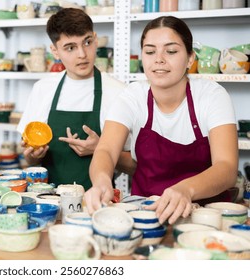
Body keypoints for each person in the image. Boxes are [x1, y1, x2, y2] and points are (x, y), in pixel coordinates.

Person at [84, 16, 238, 224]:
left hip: (204, 217)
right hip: (147, 215)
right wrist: (101, 182)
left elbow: (227, 168)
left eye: (171, 51)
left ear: (190, 59)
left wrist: (186, 189)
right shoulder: (133, 96)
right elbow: (105, 150)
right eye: (149, 51)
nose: (159, 59)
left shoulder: (211, 95)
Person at [17, 8, 133, 190]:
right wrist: (34, 155)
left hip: (98, 202)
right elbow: (30, 159)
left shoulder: (120, 93)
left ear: (95, 40)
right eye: (70, 47)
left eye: (87, 42)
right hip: (49, 201)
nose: (82, 54)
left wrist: (101, 149)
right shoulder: (42, 89)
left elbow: (137, 167)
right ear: (55, 51)